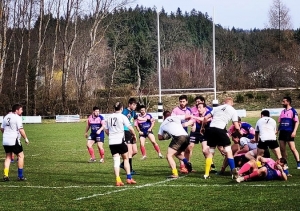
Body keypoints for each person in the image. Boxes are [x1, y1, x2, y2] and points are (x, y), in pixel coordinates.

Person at [202, 97, 241, 179]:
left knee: (211, 151)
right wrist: (240, 133)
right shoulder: (233, 110)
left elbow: (205, 118)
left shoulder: (216, 108)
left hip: (211, 129)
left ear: (224, 102)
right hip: (221, 129)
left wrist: (202, 128)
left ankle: (206, 174)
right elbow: (236, 125)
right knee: (228, 151)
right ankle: (233, 173)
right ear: (232, 103)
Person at [104, 102, 137, 186]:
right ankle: (129, 178)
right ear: (122, 108)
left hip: (112, 142)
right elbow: (130, 128)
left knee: (116, 160)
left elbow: (106, 130)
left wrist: (110, 135)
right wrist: (134, 135)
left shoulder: (109, 117)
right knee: (126, 158)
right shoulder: (122, 116)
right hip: (120, 141)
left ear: (114, 108)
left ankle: (118, 180)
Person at [157, 111, 193, 178]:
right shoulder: (176, 117)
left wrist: (167, 136)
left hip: (178, 137)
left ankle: (175, 173)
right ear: (170, 115)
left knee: (169, 155)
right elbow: (188, 116)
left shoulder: (163, 124)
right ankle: (187, 162)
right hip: (187, 136)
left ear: (163, 117)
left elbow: (159, 137)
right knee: (177, 153)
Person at [1, 104, 29, 181]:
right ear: (16, 110)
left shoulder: (6, 117)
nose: (22, 111)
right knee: (21, 156)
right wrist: (26, 138)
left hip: (5, 140)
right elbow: (21, 129)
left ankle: (5, 175)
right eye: (21, 109)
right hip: (13, 140)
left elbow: (2, 128)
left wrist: (6, 134)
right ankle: (20, 176)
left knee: (8, 157)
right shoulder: (17, 117)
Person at [120, 98, 147, 175]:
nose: (135, 106)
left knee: (135, 151)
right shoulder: (125, 111)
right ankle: (130, 169)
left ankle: (123, 164)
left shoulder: (133, 112)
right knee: (129, 151)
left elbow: (137, 117)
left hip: (131, 132)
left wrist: (146, 119)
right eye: (134, 105)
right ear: (129, 105)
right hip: (126, 131)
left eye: (135, 105)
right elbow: (121, 120)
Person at [171, 95, 192, 173]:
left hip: (185, 133)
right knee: (181, 150)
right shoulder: (175, 110)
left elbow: (192, 119)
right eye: (180, 101)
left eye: (183, 101)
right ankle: (182, 167)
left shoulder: (189, 110)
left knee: (188, 149)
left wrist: (193, 125)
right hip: (177, 133)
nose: (182, 103)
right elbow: (172, 120)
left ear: (186, 101)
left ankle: (186, 165)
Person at [278, 96, 300, 170]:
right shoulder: (282, 111)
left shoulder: (293, 111)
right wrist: (277, 130)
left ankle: (298, 163)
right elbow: (280, 122)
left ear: (288, 102)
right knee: (282, 149)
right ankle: (285, 164)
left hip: (289, 132)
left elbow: (297, 122)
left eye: (284, 101)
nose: (282, 103)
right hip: (282, 132)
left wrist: (294, 131)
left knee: (292, 148)